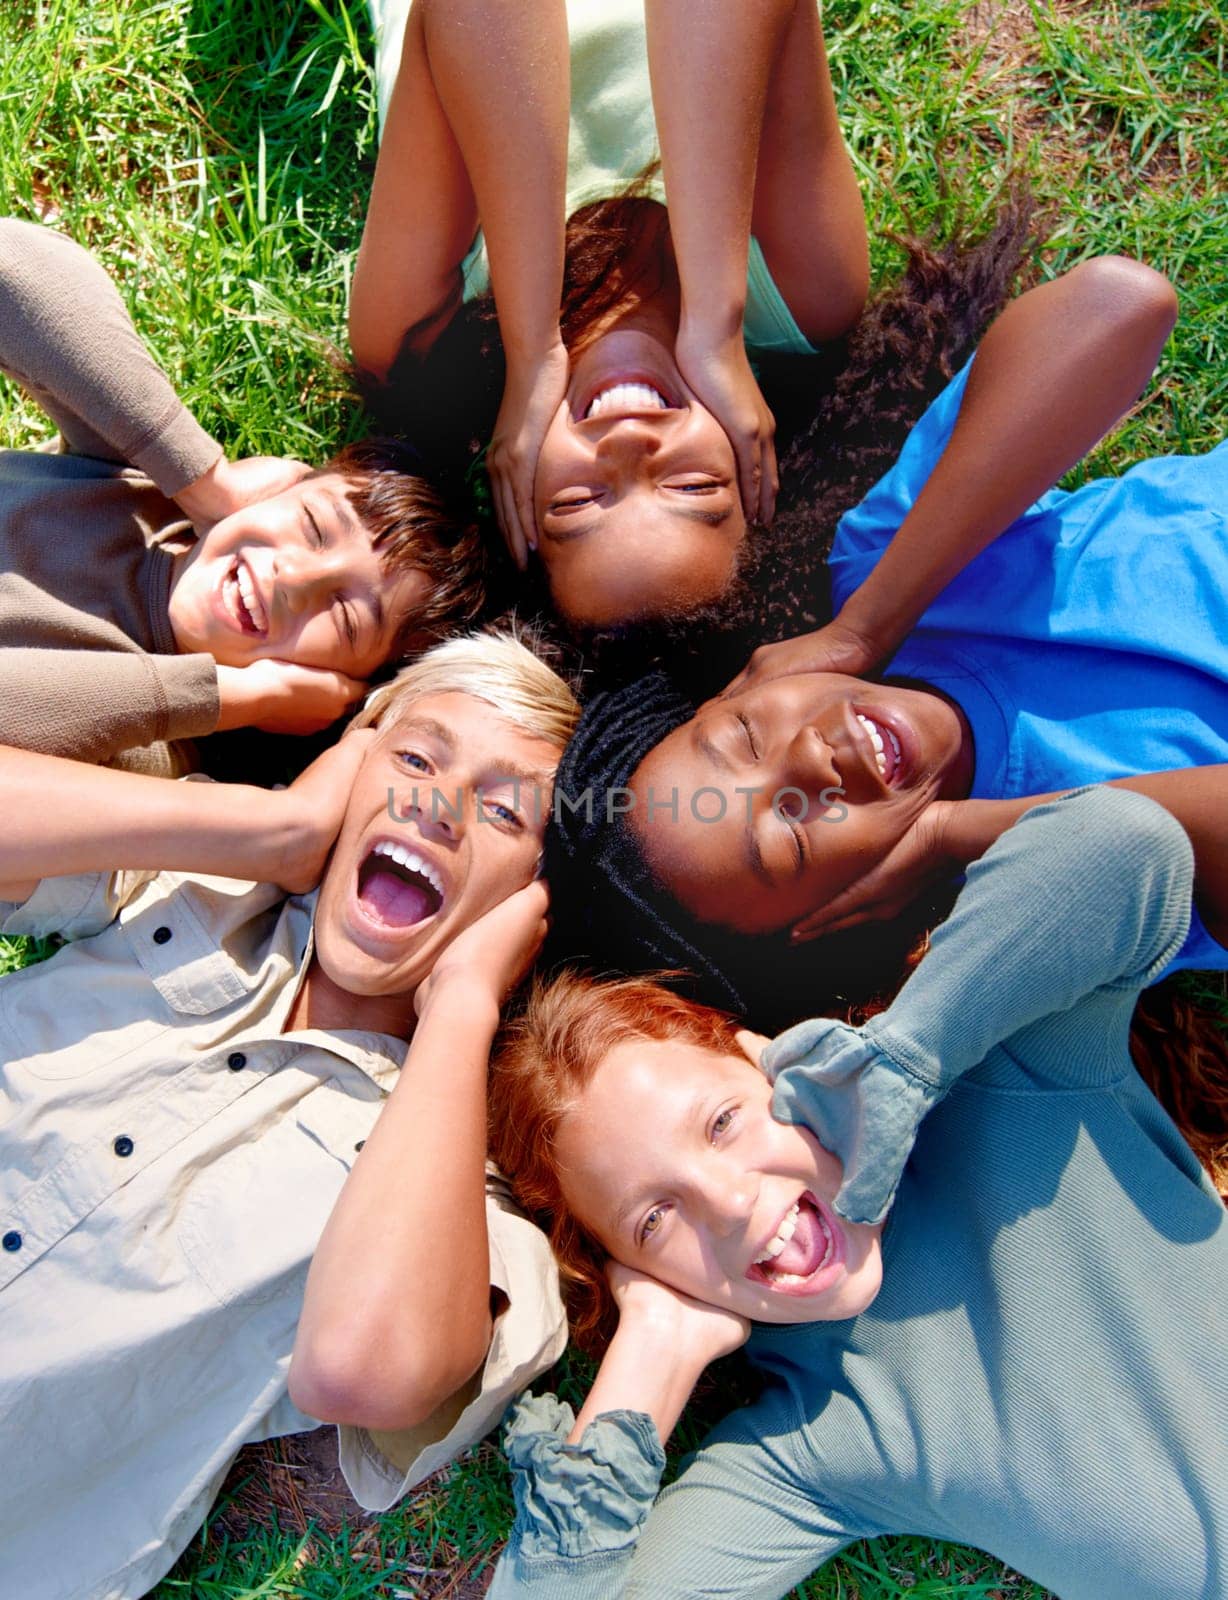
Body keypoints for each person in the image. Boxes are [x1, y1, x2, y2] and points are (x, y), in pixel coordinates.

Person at [484, 787, 1228, 1598]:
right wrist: (650, 1360)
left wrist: (905, 1060)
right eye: (655, 1219)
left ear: (768, 1057)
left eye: (723, 1122)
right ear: (632, 1272)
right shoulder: (814, 1444)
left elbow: (1129, 843)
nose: (728, 1202)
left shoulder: (1007, 1076)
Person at [0, 629, 578, 1600]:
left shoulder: (455, 1187)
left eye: (504, 811)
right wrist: (268, 829)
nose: (436, 807)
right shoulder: (184, 886)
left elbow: (368, 1372)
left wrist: (466, 1006)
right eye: (413, 758)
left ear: (534, 899)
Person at [539, 279, 1228, 1013]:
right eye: (791, 840)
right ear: (855, 909)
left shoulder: (890, 574)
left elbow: (1121, 304)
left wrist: (865, 628)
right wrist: (948, 834)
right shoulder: (1065, 892)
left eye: (743, 735)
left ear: (741, 686)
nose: (808, 758)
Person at [353, 0, 869, 626]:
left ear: (513, 497)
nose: (629, 444)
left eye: (576, 502)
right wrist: (714, 324)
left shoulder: (419, 339)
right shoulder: (805, 290)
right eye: (694, 488)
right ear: (758, 467)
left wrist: (533, 344)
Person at [0, 217, 486, 775]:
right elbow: (14, 264)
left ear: (335, 693)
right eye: (313, 524)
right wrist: (206, 482)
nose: (295, 580)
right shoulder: (130, 488)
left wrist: (238, 697)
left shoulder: (157, 736)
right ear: (277, 484)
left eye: (346, 615)